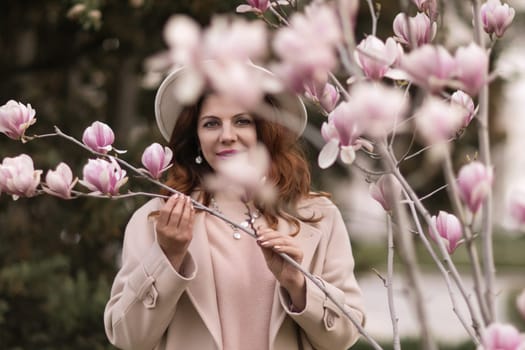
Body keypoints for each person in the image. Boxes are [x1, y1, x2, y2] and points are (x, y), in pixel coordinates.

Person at [104, 63, 365, 350]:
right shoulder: (157, 219)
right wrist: (167, 256)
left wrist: (298, 284)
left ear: (266, 131)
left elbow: (344, 337)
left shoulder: (318, 217)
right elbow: (128, 338)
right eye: (211, 123)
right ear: (196, 139)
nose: (227, 135)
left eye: (242, 121)